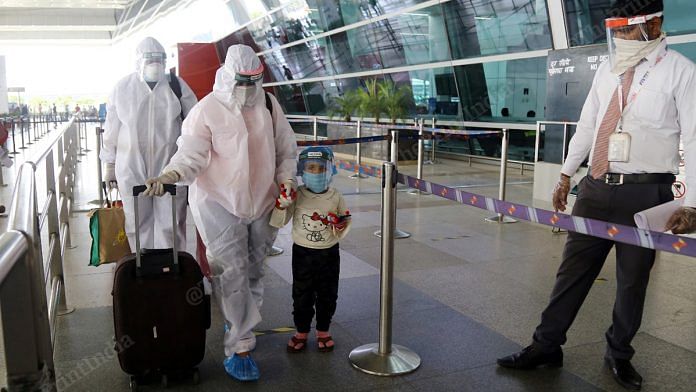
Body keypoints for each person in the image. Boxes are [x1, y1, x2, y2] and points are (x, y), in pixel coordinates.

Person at [497, 1, 696, 390]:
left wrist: (693, 204)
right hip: (595, 188)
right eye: (616, 30)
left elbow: (695, 138)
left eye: (626, 30)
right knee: (571, 273)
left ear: (653, 24)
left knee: (633, 281)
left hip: (646, 194)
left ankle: (619, 354)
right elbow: (588, 124)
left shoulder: (682, 73)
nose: (619, 38)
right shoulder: (609, 68)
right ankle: (546, 345)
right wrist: (566, 175)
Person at [144, 44, 298, 382]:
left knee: (254, 272)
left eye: (253, 82)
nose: (247, 89)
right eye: (241, 82)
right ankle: (239, 347)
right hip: (218, 202)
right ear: (228, 77)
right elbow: (190, 154)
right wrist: (171, 174)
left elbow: (286, 150)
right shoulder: (207, 110)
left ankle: (239, 319)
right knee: (232, 272)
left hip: (262, 202)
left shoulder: (269, 105)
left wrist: (287, 181)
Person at [100, 37, 198, 249]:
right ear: (138, 62)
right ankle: (142, 268)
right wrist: (109, 164)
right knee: (136, 224)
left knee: (172, 223)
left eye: (159, 59)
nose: (155, 65)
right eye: (150, 59)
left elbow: (195, 125)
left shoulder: (177, 86)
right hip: (131, 168)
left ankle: (172, 270)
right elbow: (111, 130)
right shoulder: (123, 88)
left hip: (170, 168)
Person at [269, 146, 351, 353]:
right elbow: (280, 221)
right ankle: (301, 331)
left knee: (328, 293)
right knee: (302, 293)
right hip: (303, 253)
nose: (315, 173)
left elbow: (345, 218)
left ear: (330, 170)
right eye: (311, 168)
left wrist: (340, 224)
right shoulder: (298, 195)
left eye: (321, 168)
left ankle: (323, 330)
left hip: (329, 253)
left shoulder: (336, 196)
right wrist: (280, 205)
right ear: (302, 171)